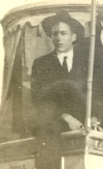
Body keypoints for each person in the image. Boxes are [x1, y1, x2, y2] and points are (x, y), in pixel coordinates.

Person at [31, 10, 87, 169]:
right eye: (54, 34)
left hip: (83, 120)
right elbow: (38, 99)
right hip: (54, 121)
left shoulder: (86, 63)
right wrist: (66, 117)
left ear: (73, 37)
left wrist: (94, 117)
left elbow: (95, 94)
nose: (58, 38)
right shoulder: (41, 64)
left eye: (63, 33)